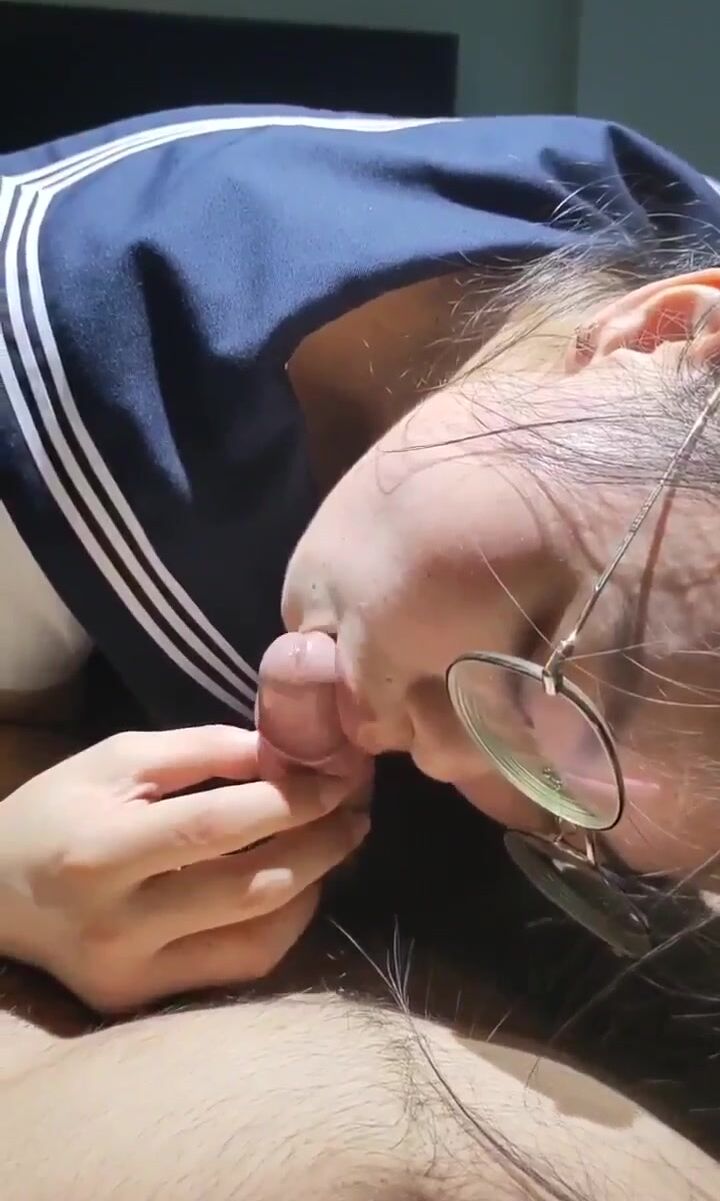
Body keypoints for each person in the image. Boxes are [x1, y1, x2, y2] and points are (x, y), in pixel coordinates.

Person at [3, 105, 720, 1195]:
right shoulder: (63, 354)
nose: (441, 757)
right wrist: (14, 885)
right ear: (660, 334)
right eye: (542, 660)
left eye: (579, 822)